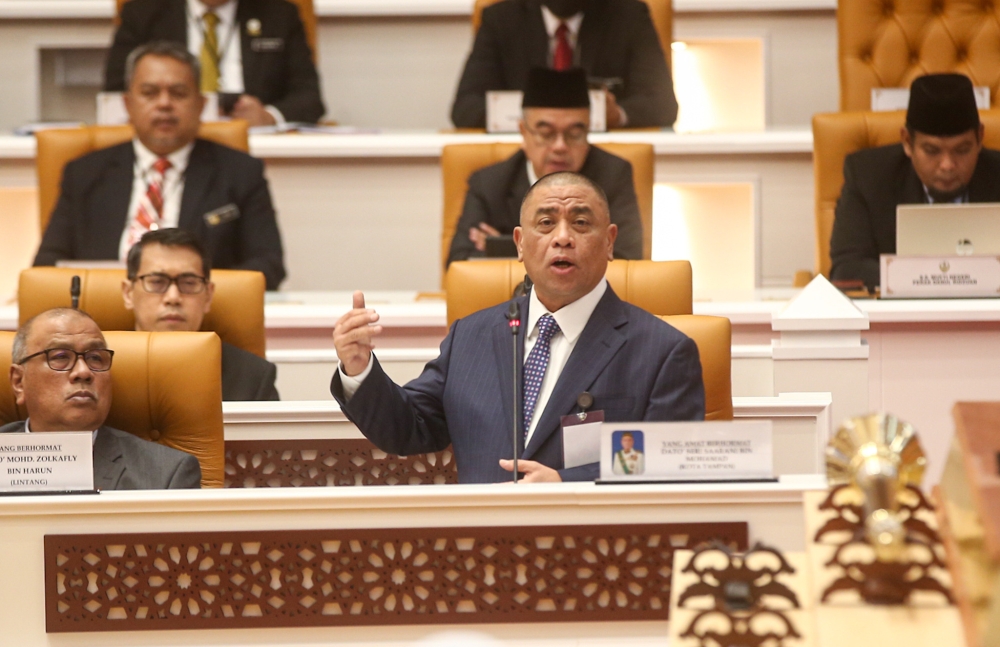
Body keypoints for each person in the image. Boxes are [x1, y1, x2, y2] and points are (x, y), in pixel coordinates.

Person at [331, 171, 704, 484]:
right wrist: (359, 369)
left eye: (580, 222)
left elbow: (671, 461)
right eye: (545, 223)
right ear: (520, 244)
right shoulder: (471, 336)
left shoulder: (663, 351)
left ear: (609, 242)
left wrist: (567, 482)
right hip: (481, 555)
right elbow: (407, 429)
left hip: (595, 552)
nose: (562, 237)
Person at [34, 40, 287, 291]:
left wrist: (192, 290)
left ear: (200, 105)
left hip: (197, 320)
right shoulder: (85, 173)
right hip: (101, 317)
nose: (164, 104)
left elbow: (268, 265)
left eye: (178, 93)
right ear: (127, 104)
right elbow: (46, 265)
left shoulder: (240, 172)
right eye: (150, 93)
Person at [447, 67, 643, 266]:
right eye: (546, 133)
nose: (560, 146)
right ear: (524, 132)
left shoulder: (613, 175)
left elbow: (626, 260)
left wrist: (507, 250)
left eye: (574, 134)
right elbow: (459, 264)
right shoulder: (489, 183)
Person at [830, 73, 1000, 288]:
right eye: (932, 151)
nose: (947, 165)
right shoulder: (868, 177)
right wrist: (941, 277)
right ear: (908, 142)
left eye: (962, 150)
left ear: (980, 138)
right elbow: (846, 269)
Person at [2, 308, 202, 490]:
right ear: (19, 382)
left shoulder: (166, 475)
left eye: (96, 358)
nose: (83, 372)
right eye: (60, 356)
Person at [451, 0, 677, 129]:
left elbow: (663, 105)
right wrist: (535, 119)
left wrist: (615, 114)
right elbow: (465, 109)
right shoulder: (501, 19)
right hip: (525, 164)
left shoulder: (629, 16)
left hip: (602, 163)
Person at [104, 0, 325, 126]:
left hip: (255, 144)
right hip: (170, 138)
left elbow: (309, 98)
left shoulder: (278, 14)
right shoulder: (144, 13)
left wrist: (268, 116)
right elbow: (115, 94)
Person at [122, 228, 280, 401]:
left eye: (189, 283)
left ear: (208, 296)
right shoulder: (98, 368)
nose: (173, 297)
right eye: (157, 282)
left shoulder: (252, 378)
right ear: (128, 293)